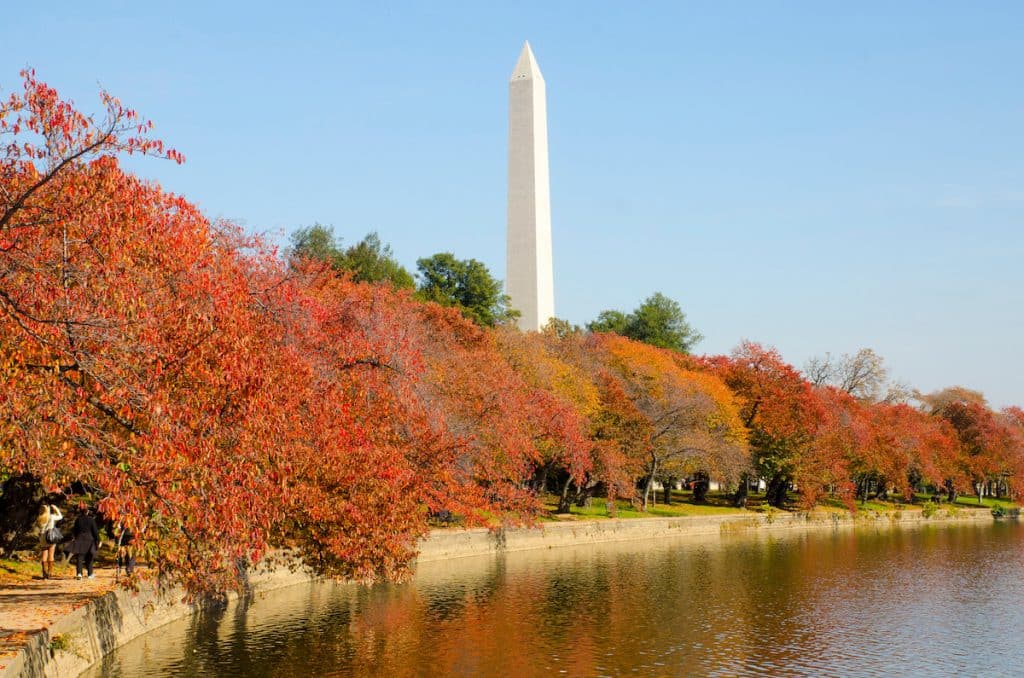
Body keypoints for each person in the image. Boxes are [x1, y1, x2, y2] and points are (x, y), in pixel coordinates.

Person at [68, 507, 101, 580]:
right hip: (89, 539)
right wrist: (98, 540)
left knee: (79, 557)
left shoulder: (78, 520)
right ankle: (90, 574)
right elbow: (95, 531)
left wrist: (75, 537)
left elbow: (75, 530)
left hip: (79, 539)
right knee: (89, 557)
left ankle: (79, 573)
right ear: (87, 512)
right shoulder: (91, 520)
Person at [36, 503, 63, 580]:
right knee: (51, 555)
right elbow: (60, 517)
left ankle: (44, 574)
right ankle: (50, 573)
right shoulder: (51, 517)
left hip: (43, 537)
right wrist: (55, 508)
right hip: (50, 537)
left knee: (44, 555)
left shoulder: (39, 518)